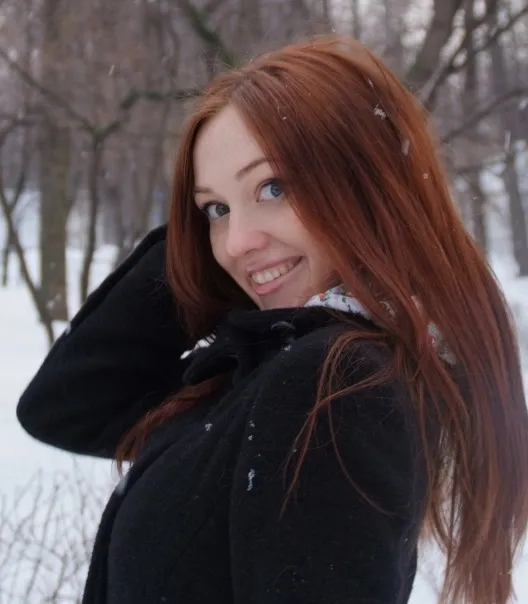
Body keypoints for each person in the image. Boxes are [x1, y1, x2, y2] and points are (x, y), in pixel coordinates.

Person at [17, 36, 528, 604]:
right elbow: (67, 407)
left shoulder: (334, 387)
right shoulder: (276, 368)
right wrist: (194, 254)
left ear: (366, 187)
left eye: (273, 187)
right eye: (215, 209)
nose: (235, 242)